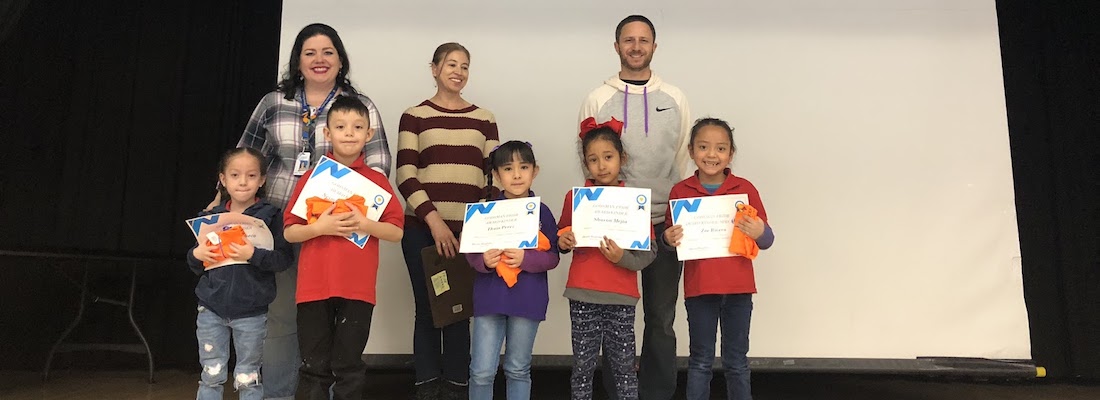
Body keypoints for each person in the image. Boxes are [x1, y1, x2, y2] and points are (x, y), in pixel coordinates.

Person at [233, 23, 392, 399]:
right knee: (283, 319)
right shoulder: (273, 102)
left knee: (333, 327)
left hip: (338, 231)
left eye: (328, 52)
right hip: (278, 223)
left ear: (340, 60)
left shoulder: (360, 106)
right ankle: (278, 395)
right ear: (298, 61)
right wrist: (225, 199)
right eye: (310, 53)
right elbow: (248, 155)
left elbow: (380, 166)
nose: (319, 60)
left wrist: (348, 215)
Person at [577, 15, 691, 400]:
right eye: (629, 40)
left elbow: (683, 159)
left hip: (662, 224)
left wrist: (673, 208)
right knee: (614, 318)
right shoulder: (597, 97)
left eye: (644, 40)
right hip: (616, 225)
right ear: (617, 46)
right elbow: (589, 157)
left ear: (654, 47)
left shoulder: (675, 97)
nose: (636, 46)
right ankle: (617, 390)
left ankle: (658, 392)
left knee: (661, 318)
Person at [282, 96, 404, 400]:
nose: (349, 133)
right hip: (313, 288)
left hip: (357, 290)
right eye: (340, 126)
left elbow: (396, 231)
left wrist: (365, 224)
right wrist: (318, 229)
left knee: (348, 366)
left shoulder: (377, 182)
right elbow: (290, 232)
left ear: (369, 134)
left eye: (357, 127)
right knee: (313, 367)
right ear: (327, 134)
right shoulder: (312, 178)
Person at [397, 42, 499, 400]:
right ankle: (426, 387)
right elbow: (406, 174)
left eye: (465, 66)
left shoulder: (484, 118)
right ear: (434, 68)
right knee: (427, 311)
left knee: (458, 312)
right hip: (422, 231)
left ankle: (457, 386)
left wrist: (480, 228)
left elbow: (494, 179)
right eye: (451, 64)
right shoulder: (414, 115)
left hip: (468, 234)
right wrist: (435, 222)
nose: (458, 71)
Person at [664, 118, 775, 400]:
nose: (711, 155)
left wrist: (759, 230)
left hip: (738, 290)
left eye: (720, 148)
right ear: (691, 151)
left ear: (730, 154)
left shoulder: (744, 189)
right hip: (700, 289)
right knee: (700, 362)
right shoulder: (680, 192)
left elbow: (767, 239)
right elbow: (669, 243)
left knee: (736, 362)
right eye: (703, 147)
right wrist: (667, 239)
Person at [558, 118, 657, 400]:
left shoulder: (635, 201)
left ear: (621, 158)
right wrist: (563, 241)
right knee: (582, 368)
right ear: (586, 163)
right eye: (593, 159)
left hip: (621, 297)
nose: (601, 165)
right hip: (583, 295)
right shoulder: (574, 198)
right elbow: (562, 237)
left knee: (625, 368)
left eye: (608, 157)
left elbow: (649, 252)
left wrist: (623, 258)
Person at [187, 147, 293, 400]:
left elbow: (283, 259)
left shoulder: (271, 216)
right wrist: (196, 256)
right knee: (211, 373)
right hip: (211, 309)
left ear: (262, 179)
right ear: (223, 180)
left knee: (248, 375)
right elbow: (194, 263)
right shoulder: (210, 217)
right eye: (235, 175)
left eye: (251, 175)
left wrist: (253, 254)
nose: (243, 182)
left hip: (252, 313)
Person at [462, 140, 560, 400]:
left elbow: (552, 257)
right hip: (490, 298)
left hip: (527, 300)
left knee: (518, 369)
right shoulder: (485, 212)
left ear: (534, 171)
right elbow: (471, 253)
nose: (516, 175)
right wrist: (485, 260)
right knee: (481, 371)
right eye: (507, 169)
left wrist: (526, 259)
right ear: (496, 175)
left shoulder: (543, 213)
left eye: (524, 167)